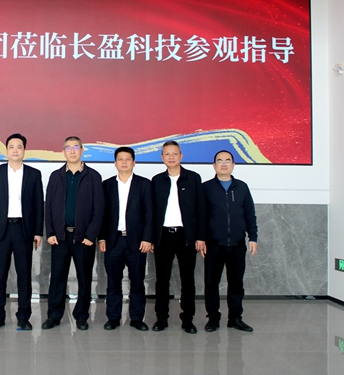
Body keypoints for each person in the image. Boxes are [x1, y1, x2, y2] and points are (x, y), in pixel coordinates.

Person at [0, 133, 44, 330]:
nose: (15, 150)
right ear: (6, 150)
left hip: (24, 230)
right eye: (11, 147)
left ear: (24, 150)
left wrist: (38, 232)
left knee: (24, 276)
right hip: (1, 230)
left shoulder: (34, 174)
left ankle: (23, 316)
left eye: (19, 147)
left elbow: (38, 205)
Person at [42, 136, 104, 331]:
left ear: (82, 150)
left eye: (76, 147)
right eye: (68, 148)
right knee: (57, 278)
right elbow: (48, 207)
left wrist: (91, 235)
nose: (72, 151)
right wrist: (50, 232)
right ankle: (54, 315)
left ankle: (82, 316)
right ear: (63, 151)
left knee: (84, 278)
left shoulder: (93, 176)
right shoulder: (56, 176)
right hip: (60, 237)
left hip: (83, 238)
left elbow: (99, 209)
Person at [151, 140, 206, 334]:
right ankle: (161, 318)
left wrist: (200, 237)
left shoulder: (193, 178)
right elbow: (152, 213)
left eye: (175, 153)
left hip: (186, 236)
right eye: (167, 154)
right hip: (163, 236)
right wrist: (151, 238)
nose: (171, 157)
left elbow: (201, 209)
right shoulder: (157, 180)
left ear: (181, 156)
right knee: (161, 280)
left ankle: (188, 319)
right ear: (162, 158)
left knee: (187, 280)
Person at [98, 146, 154, 331]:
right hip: (113, 240)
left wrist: (147, 238)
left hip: (137, 242)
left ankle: (136, 318)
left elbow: (150, 214)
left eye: (127, 159)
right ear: (115, 163)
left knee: (137, 281)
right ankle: (113, 318)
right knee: (113, 281)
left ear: (134, 162)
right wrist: (101, 238)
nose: (124, 162)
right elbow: (102, 214)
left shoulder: (144, 184)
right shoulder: (106, 185)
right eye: (120, 159)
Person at [202, 150, 258, 332]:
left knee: (236, 284)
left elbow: (249, 214)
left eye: (227, 161)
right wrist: (201, 239)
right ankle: (213, 318)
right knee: (211, 284)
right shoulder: (206, 188)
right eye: (220, 161)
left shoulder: (242, 187)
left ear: (233, 165)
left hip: (237, 245)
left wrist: (253, 238)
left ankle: (235, 318)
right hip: (214, 245)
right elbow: (201, 216)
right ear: (214, 166)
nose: (224, 164)